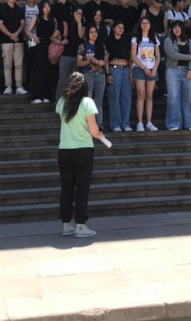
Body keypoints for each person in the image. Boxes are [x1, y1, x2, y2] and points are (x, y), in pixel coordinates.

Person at [56, 72, 102, 238]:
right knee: (82, 189)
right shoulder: (87, 103)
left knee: (66, 188)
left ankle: (66, 225)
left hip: (64, 150)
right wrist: (101, 136)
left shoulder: (62, 102)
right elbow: (94, 130)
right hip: (83, 149)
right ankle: (81, 225)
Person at [164, 20, 191, 131]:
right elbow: (172, 54)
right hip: (173, 71)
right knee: (173, 98)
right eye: (174, 27)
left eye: (179, 27)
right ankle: (173, 124)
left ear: (182, 29)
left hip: (188, 71)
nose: (177, 29)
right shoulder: (168, 40)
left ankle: (188, 123)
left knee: (187, 99)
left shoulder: (188, 40)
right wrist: (188, 57)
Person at [28, 0, 61, 104]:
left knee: (50, 72)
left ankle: (47, 95)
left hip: (51, 47)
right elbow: (28, 31)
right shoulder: (37, 18)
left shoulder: (54, 20)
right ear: (41, 8)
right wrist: (34, 37)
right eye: (44, 6)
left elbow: (56, 34)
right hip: (39, 47)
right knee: (39, 72)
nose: (47, 9)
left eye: (48, 7)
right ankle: (36, 96)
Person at [0, 0, 28, 95]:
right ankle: (8, 86)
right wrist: (10, 35)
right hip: (6, 40)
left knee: (19, 64)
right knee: (7, 65)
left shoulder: (20, 9)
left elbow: (22, 23)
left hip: (18, 40)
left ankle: (19, 86)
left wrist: (16, 34)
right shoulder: (1, 8)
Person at [131, 16, 160, 132]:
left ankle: (149, 122)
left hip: (152, 68)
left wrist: (154, 69)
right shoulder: (135, 38)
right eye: (143, 23)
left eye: (147, 23)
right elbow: (133, 56)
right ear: (140, 25)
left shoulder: (154, 38)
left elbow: (158, 56)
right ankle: (139, 123)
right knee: (141, 94)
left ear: (150, 25)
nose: (145, 25)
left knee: (149, 96)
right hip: (139, 68)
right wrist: (144, 68)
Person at [77, 25, 108, 126]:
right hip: (88, 74)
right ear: (88, 34)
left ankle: (99, 124)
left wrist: (102, 63)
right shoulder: (83, 46)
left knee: (98, 100)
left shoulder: (101, 46)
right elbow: (79, 63)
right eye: (91, 32)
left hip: (100, 74)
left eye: (95, 32)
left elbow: (106, 61)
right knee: (87, 100)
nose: (94, 34)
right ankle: (87, 124)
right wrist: (89, 60)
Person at [105, 21, 133, 132]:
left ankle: (126, 123)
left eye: (123, 27)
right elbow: (106, 59)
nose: (121, 29)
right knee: (114, 97)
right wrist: (108, 73)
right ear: (113, 28)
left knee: (126, 97)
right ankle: (115, 124)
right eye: (118, 27)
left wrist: (131, 72)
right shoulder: (109, 41)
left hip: (126, 69)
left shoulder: (126, 41)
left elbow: (130, 57)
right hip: (114, 68)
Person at [56, 3, 85, 101]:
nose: (79, 15)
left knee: (75, 82)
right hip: (66, 55)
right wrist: (60, 42)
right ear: (73, 13)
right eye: (77, 13)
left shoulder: (83, 22)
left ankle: (72, 104)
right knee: (63, 81)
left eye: (81, 13)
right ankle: (59, 103)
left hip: (78, 57)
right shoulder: (66, 23)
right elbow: (52, 37)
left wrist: (79, 22)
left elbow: (81, 36)